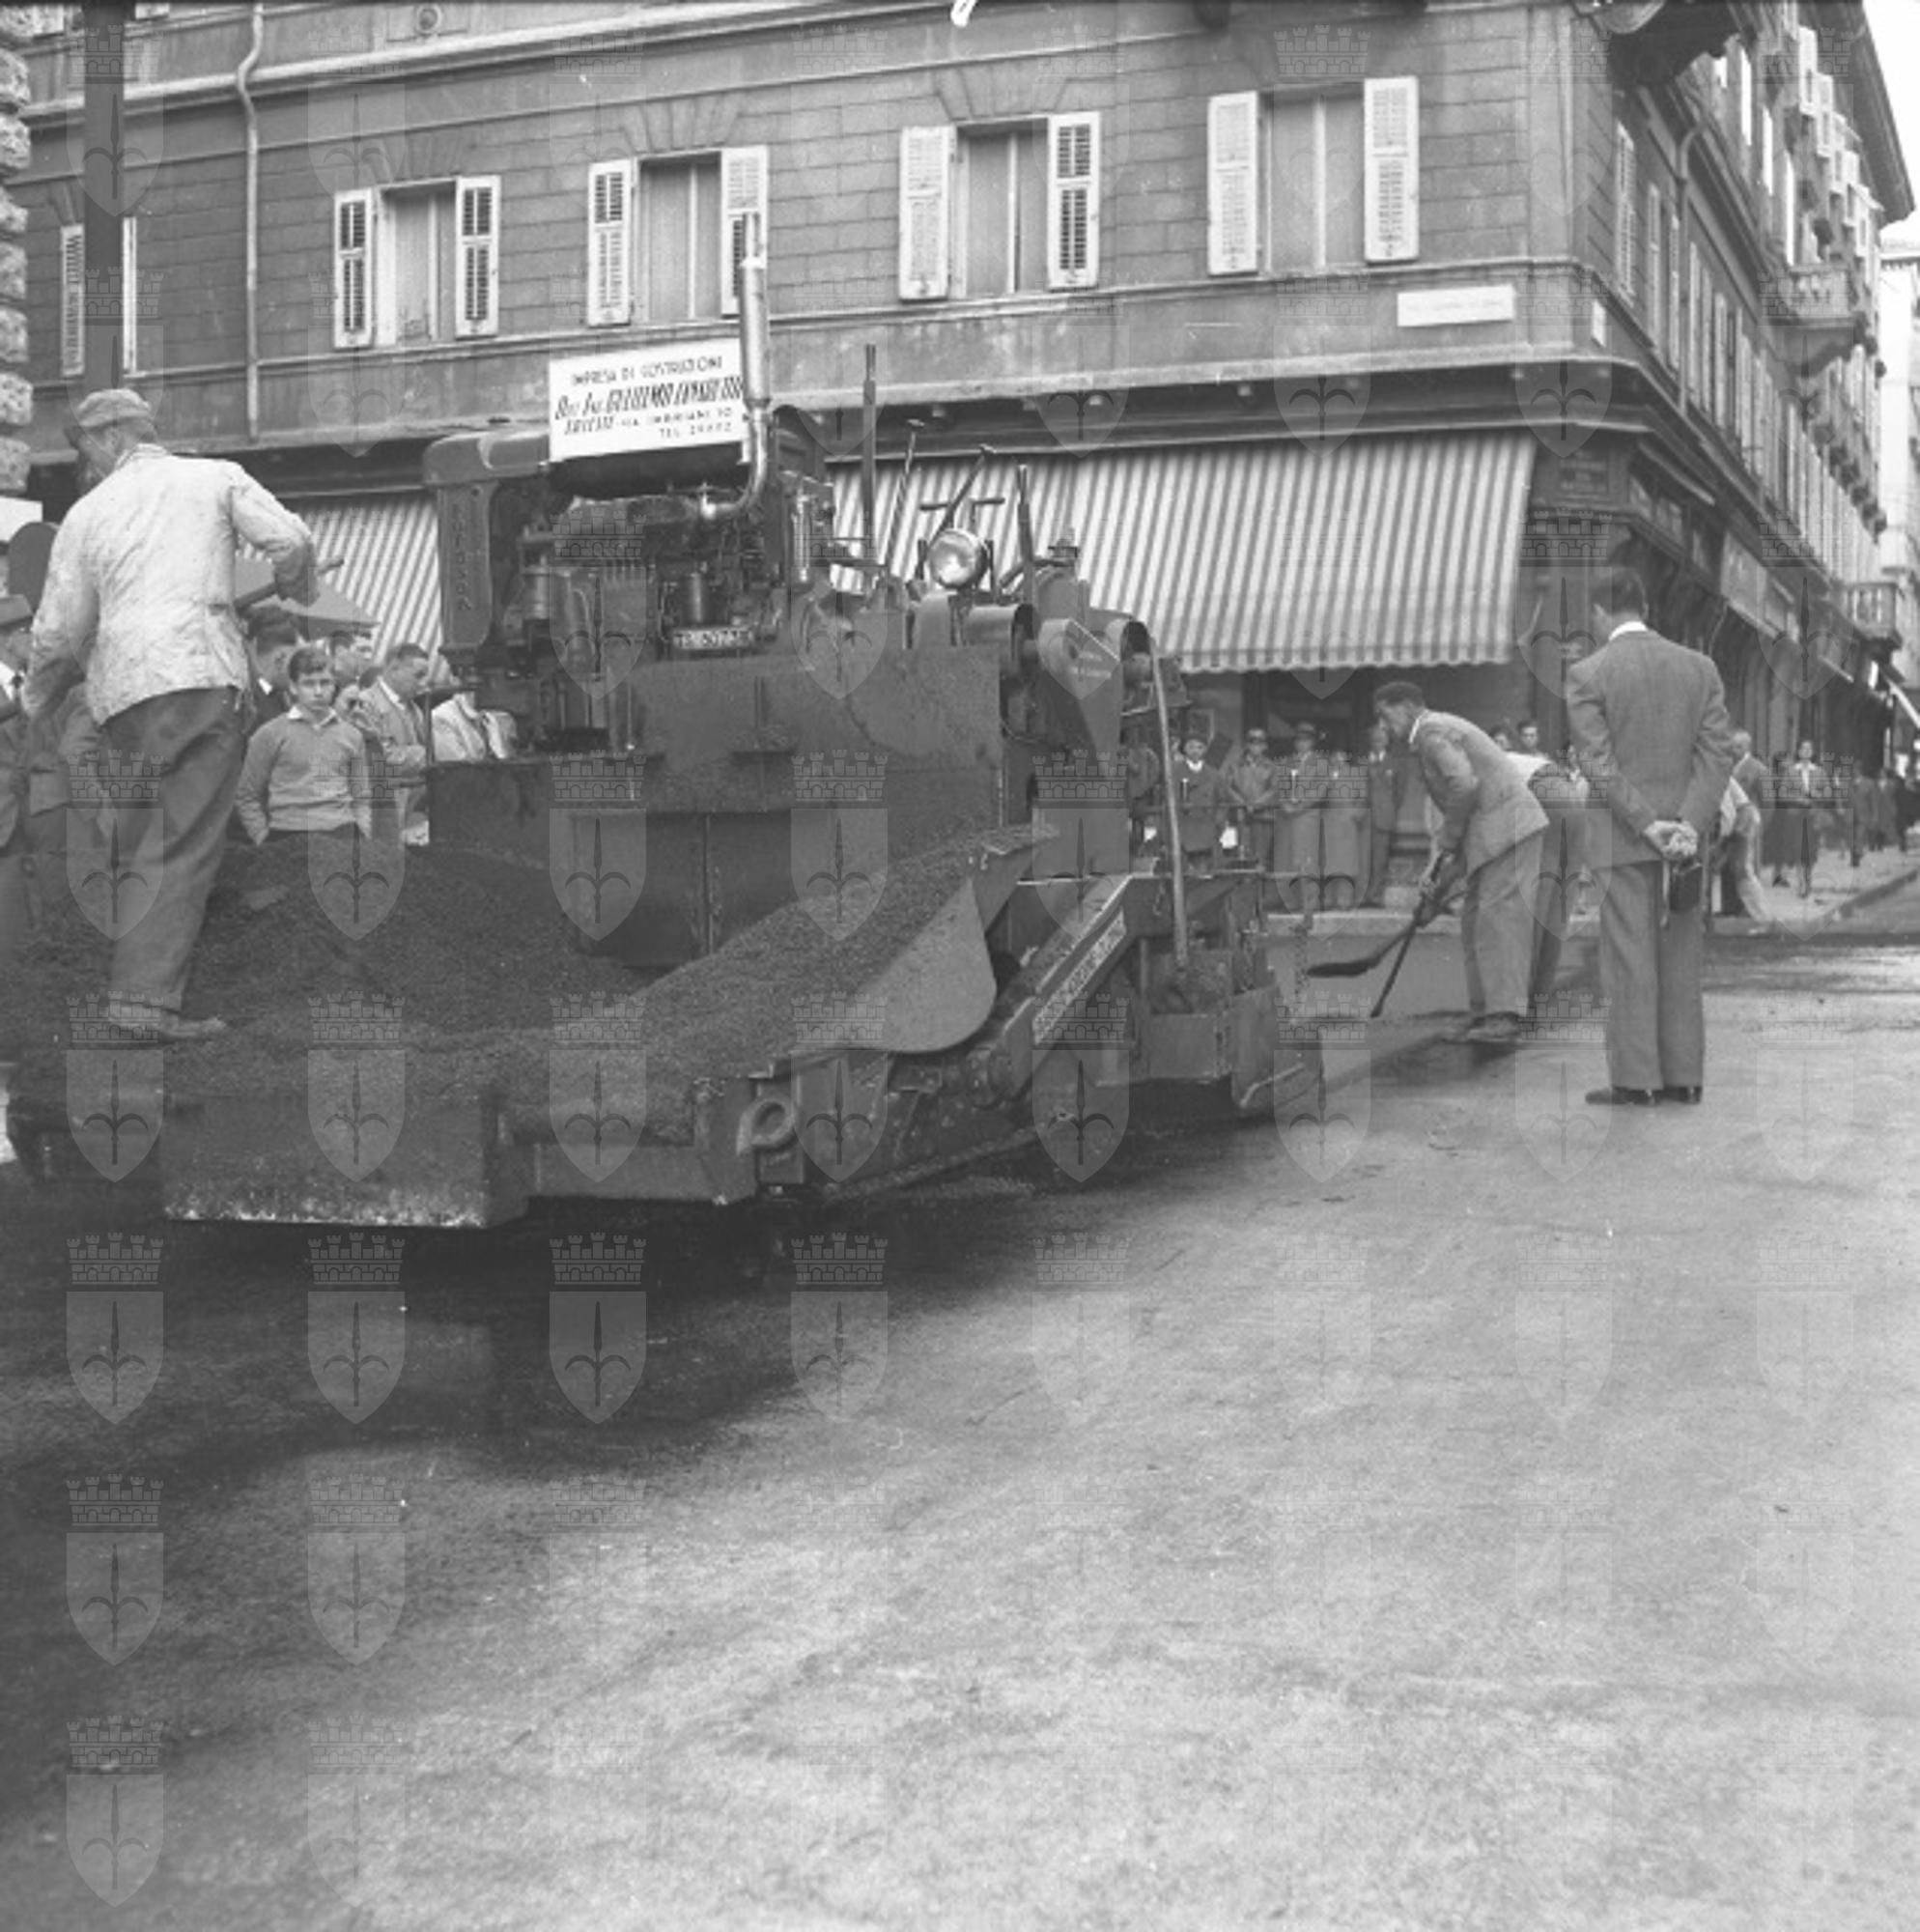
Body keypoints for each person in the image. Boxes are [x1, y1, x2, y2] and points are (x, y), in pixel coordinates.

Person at [21, 388, 314, 1040]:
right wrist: (300, 584)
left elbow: (59, 635)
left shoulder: (86, 515)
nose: (87, 465)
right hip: (199, 679)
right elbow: (291, 539)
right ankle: (143, 1004)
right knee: (181, 840)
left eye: (85, 451)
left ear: (110, 438)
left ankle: (146, 981)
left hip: (124, 696)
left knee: (146, 838)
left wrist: (34, 702)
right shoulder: (214, 478)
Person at [1564, 564, 1737, 1106]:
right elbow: (1718, 754)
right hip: (1686, 844)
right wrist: (1688, 823)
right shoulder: (1700, 668)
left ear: (1599, 612)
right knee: (1681, 956)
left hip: (1623, 839)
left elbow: (1597, 763)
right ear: (1646, 607)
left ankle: (1636, 1080)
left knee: (1628, 958)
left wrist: (1644, 822)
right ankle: (1685, 1077)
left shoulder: (1588, 674)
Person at [1374, 680, 1547, 1045]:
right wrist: (1438, 882)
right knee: (1474, 918)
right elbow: (1464, 806)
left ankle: (1506, 1017)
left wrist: (1446, 843)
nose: (1383, 726)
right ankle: (1485, 1012)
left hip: (1508, 829)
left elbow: (1465, 786)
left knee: (1497, 919)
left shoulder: (1431, 733)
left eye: (1385, 716)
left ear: (1406, 707)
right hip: (1494, 832)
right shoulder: (1431, 733)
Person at [233, 645, 373, 845]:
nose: (318, 692)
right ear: (293, 687)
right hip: (287, 834)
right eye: (308, 684)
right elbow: (247, 795)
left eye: (325, 683)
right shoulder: (269, 734)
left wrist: (363, 832)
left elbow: (361, 796)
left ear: (334, 685)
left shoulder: (352, 736)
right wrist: (262, 838)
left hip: (342, 833)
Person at [355, 640, 433, 845]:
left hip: (409, 816)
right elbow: (378, 759)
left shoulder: (413, 708)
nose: (423, 683)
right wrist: (424, 755)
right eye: (418, 675)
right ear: (394, 669)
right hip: (380, 814)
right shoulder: (365, 704)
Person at [1275, 722, 1331, 910]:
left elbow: (1321, 791)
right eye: (1298, 740)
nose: (1301, 744)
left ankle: (1310, 902)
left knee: (1307, 859)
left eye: (1306, 740)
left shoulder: (1321, 763)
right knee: (1287, 859)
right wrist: (1285, 804)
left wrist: (1300, 806)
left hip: (1307, 816)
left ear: (1312, 742)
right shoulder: (1286, 762)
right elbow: (1279, 786)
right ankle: (1290, 901)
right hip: (1286, 818)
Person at [1719, 731, 1769, 916]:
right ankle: (1729, 907)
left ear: (1747, 747)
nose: (1734, 750)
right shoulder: (1726, 766)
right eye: (1732, 746)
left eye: (1738, 746)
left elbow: (1767, 803)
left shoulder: (1758, 769)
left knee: (1744, 867)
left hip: (1747, 822)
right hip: (1730, 822)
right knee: (1727, 867)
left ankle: (1751, 910)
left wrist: (1762, 827)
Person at [1360, 721, 1407, 907]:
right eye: (1375, 739)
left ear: (1387, 741)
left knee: (1380, 859)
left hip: (1383, 817)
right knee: (1363, 858)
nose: (1378, 742)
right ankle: (1361, 894)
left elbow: (1399, 793)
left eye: (1381, 739)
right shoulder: (1362, 761)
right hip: (1362, 817)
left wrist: (1388, 810)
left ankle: (1375, 896)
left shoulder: (1395, 763)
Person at [1225, 725, 1280, 872]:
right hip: (1241, 815)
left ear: (1265, 745)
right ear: (1246, 744)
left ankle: (1259, 878)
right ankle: (1245, 879)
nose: (1256, 745)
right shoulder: (1235, 766)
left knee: (1261, 855)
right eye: (1252, 741)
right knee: (1243, 851)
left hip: (1264, 815)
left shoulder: (1271, 767)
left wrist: (1257, 804)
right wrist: (1242, 804)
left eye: (1260, 742)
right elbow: (1228, 788)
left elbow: (1274, 789)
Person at [1776, 739, 1826, 898]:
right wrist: (1798, 799)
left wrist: (1816, 794)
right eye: (1803, 748)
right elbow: (1782, 794)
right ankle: (1801, 882)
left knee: (1811, 851)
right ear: (1798, 752)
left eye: (1809, 748)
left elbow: (1827, 792)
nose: (1806, 751)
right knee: (1798, 849)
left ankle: (1808, 878)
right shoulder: (1791, 772)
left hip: (1813, 816)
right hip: (1796, 815)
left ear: (1813, 752)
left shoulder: (1819, 772)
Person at [1171, 731, 1224, 873]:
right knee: (1181, 872)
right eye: (1191, 747)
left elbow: (1222, 802)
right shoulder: (1173, 771)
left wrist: (1218, 824)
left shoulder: (1214, 774)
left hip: (1206, 827)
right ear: (1184, 749)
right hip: (1182, 828)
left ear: (1205, 750)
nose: (1195, 751)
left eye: (1199, 747)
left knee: (1203, 872)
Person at [432, 687, 519, 764]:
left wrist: (500, 753)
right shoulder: (441, 718)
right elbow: (460, 771)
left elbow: (511, 765)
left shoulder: (499, 718)